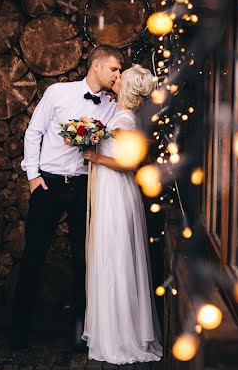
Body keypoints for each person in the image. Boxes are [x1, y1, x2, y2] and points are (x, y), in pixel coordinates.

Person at [10, 45, 123, 350]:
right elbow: (34, 132)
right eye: (114, 69)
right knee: (34, 255)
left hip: (84, 186)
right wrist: (33, 177)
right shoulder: (58, 92)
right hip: (49, 185)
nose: (117, 75)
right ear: (96, 65)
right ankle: (19, 329)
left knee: (84, 260)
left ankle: (81, 333)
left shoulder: (113, 105)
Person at [80, 65, 163, 364]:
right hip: (111, 190)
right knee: (111, 254)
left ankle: (120, 335)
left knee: (115, 255)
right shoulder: (122, 113)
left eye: (121, 75)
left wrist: (95, 156)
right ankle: (113, 329)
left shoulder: (125, 120)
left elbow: (129, 164)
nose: (116, 77)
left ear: (127, 86)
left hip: (116, 190)